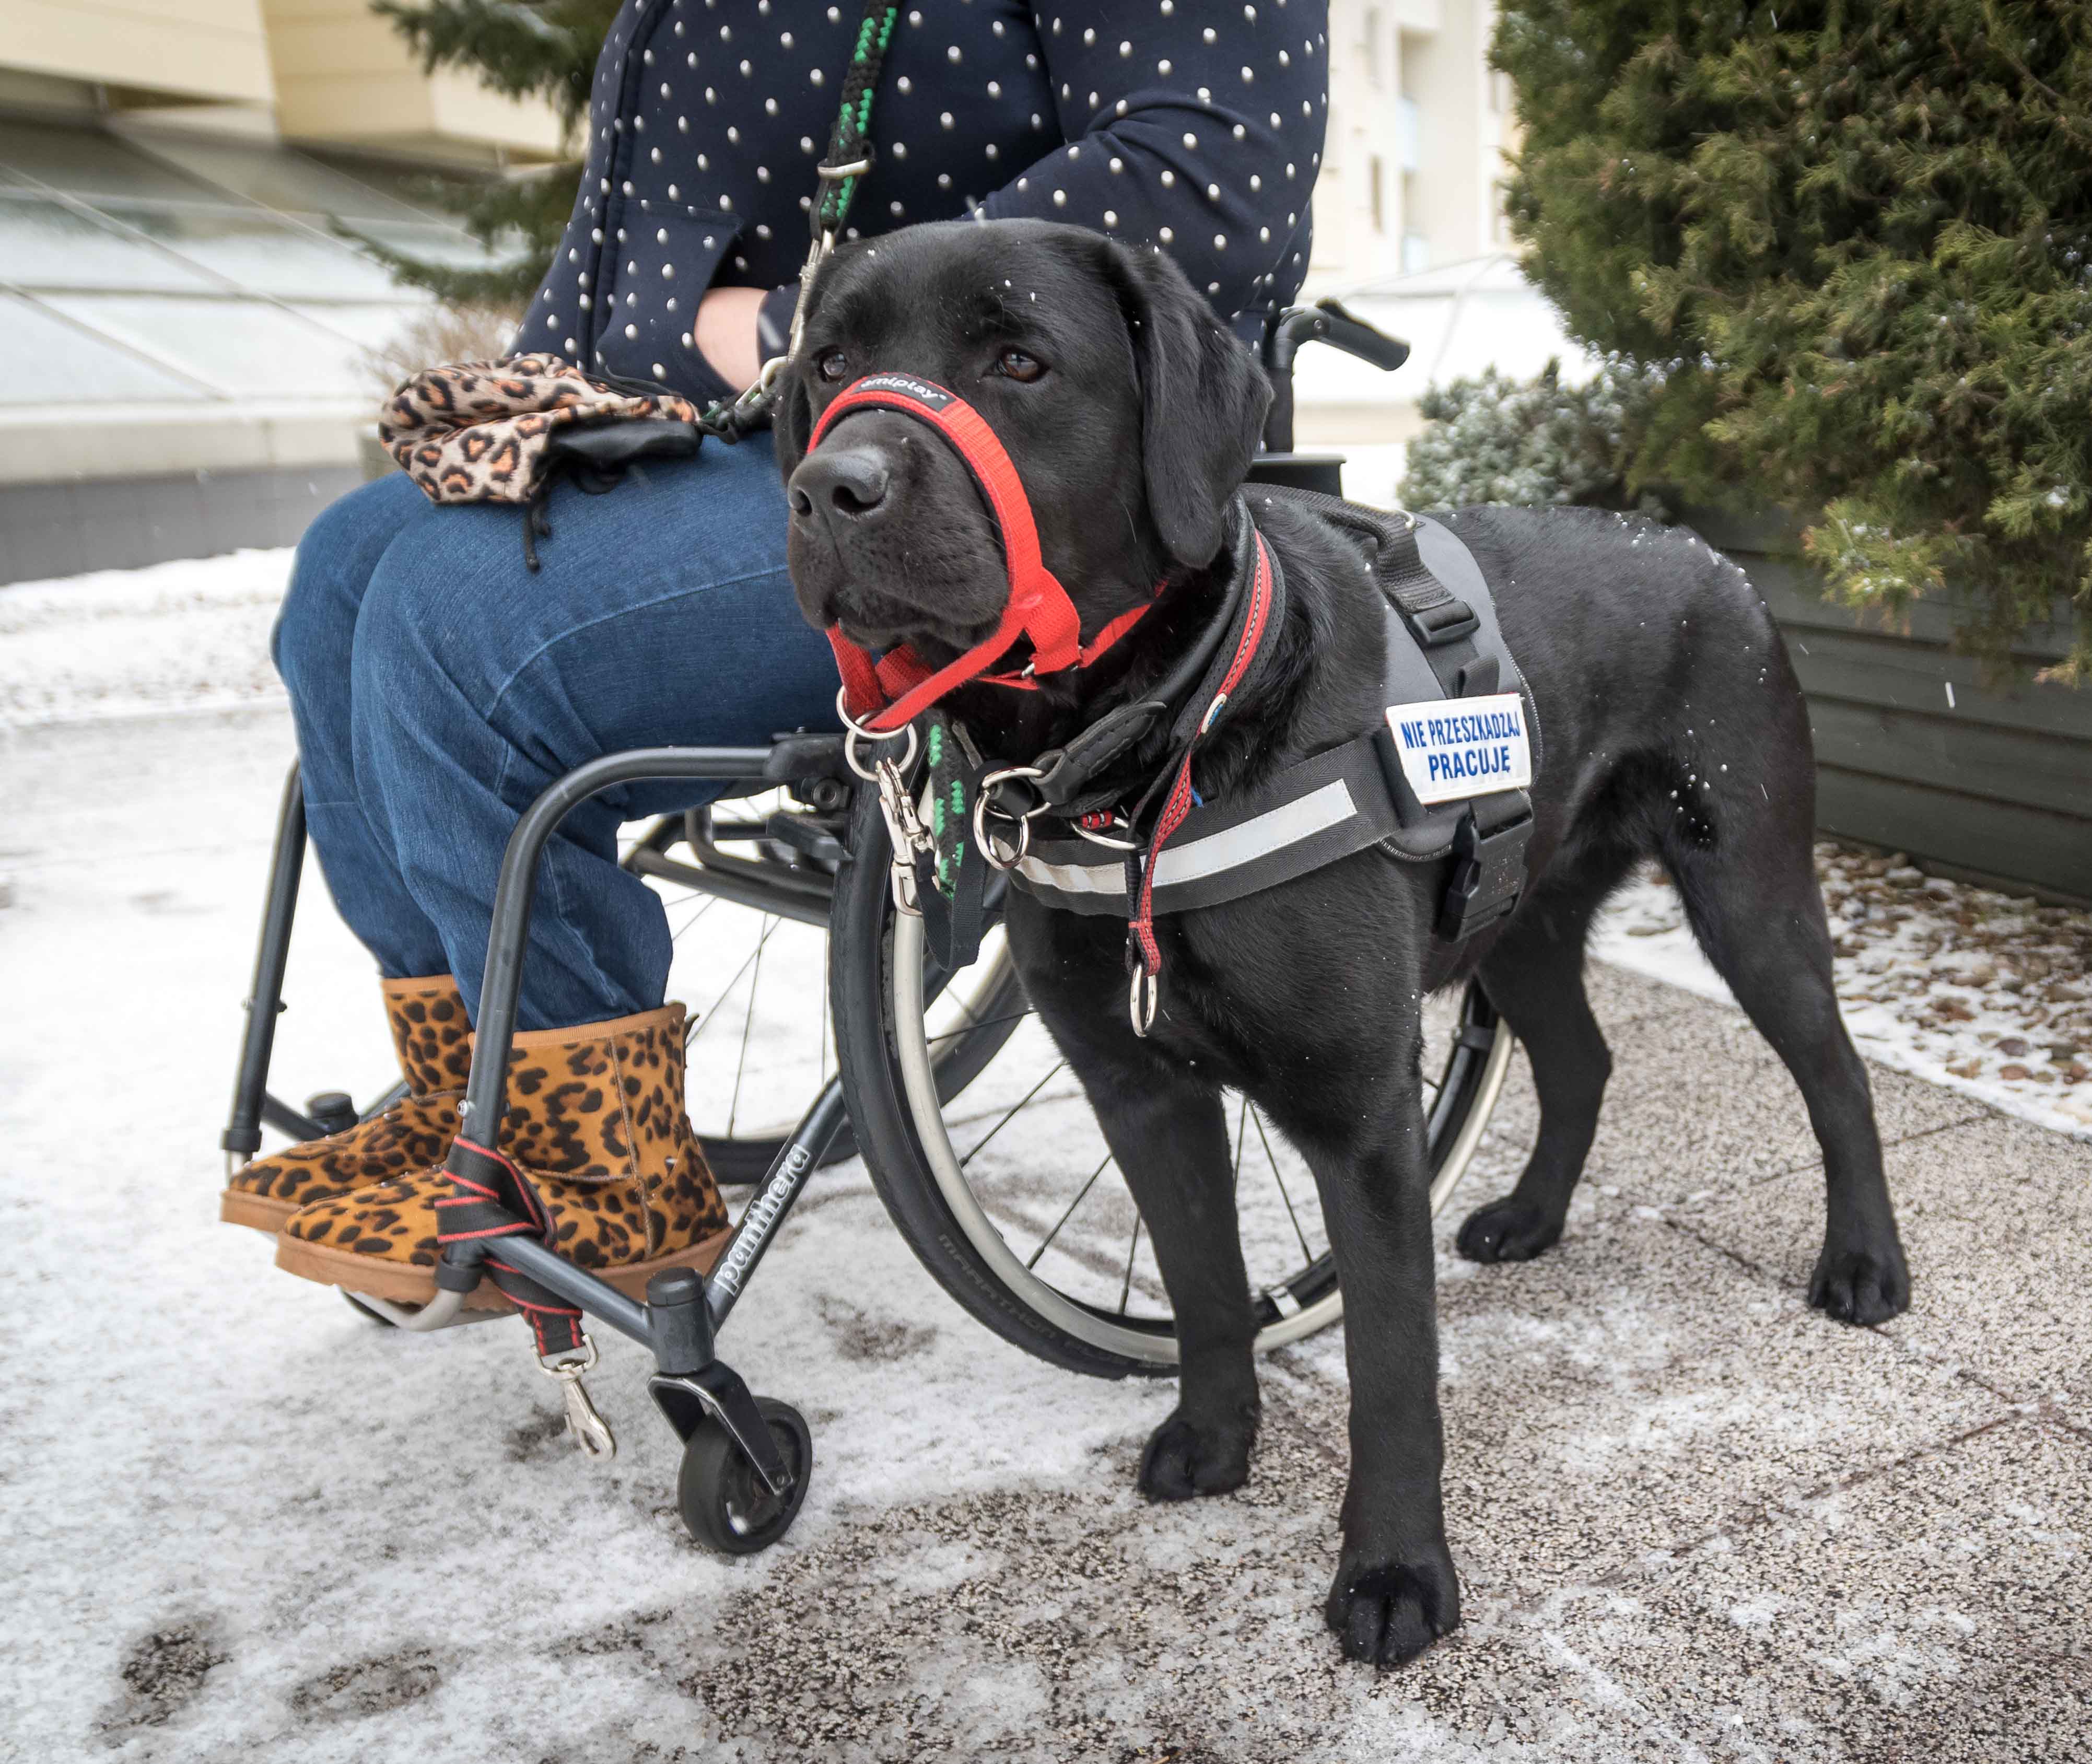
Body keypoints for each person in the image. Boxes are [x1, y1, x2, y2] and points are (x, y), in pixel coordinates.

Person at [228, 0, 1329, 1306]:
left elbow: (1215, 171)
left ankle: (602, 1178)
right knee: (349, 571)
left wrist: (795, 331)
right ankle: (474, 1093)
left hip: (963, 457)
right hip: (724, 428)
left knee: (455, 624)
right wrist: (544, 388)